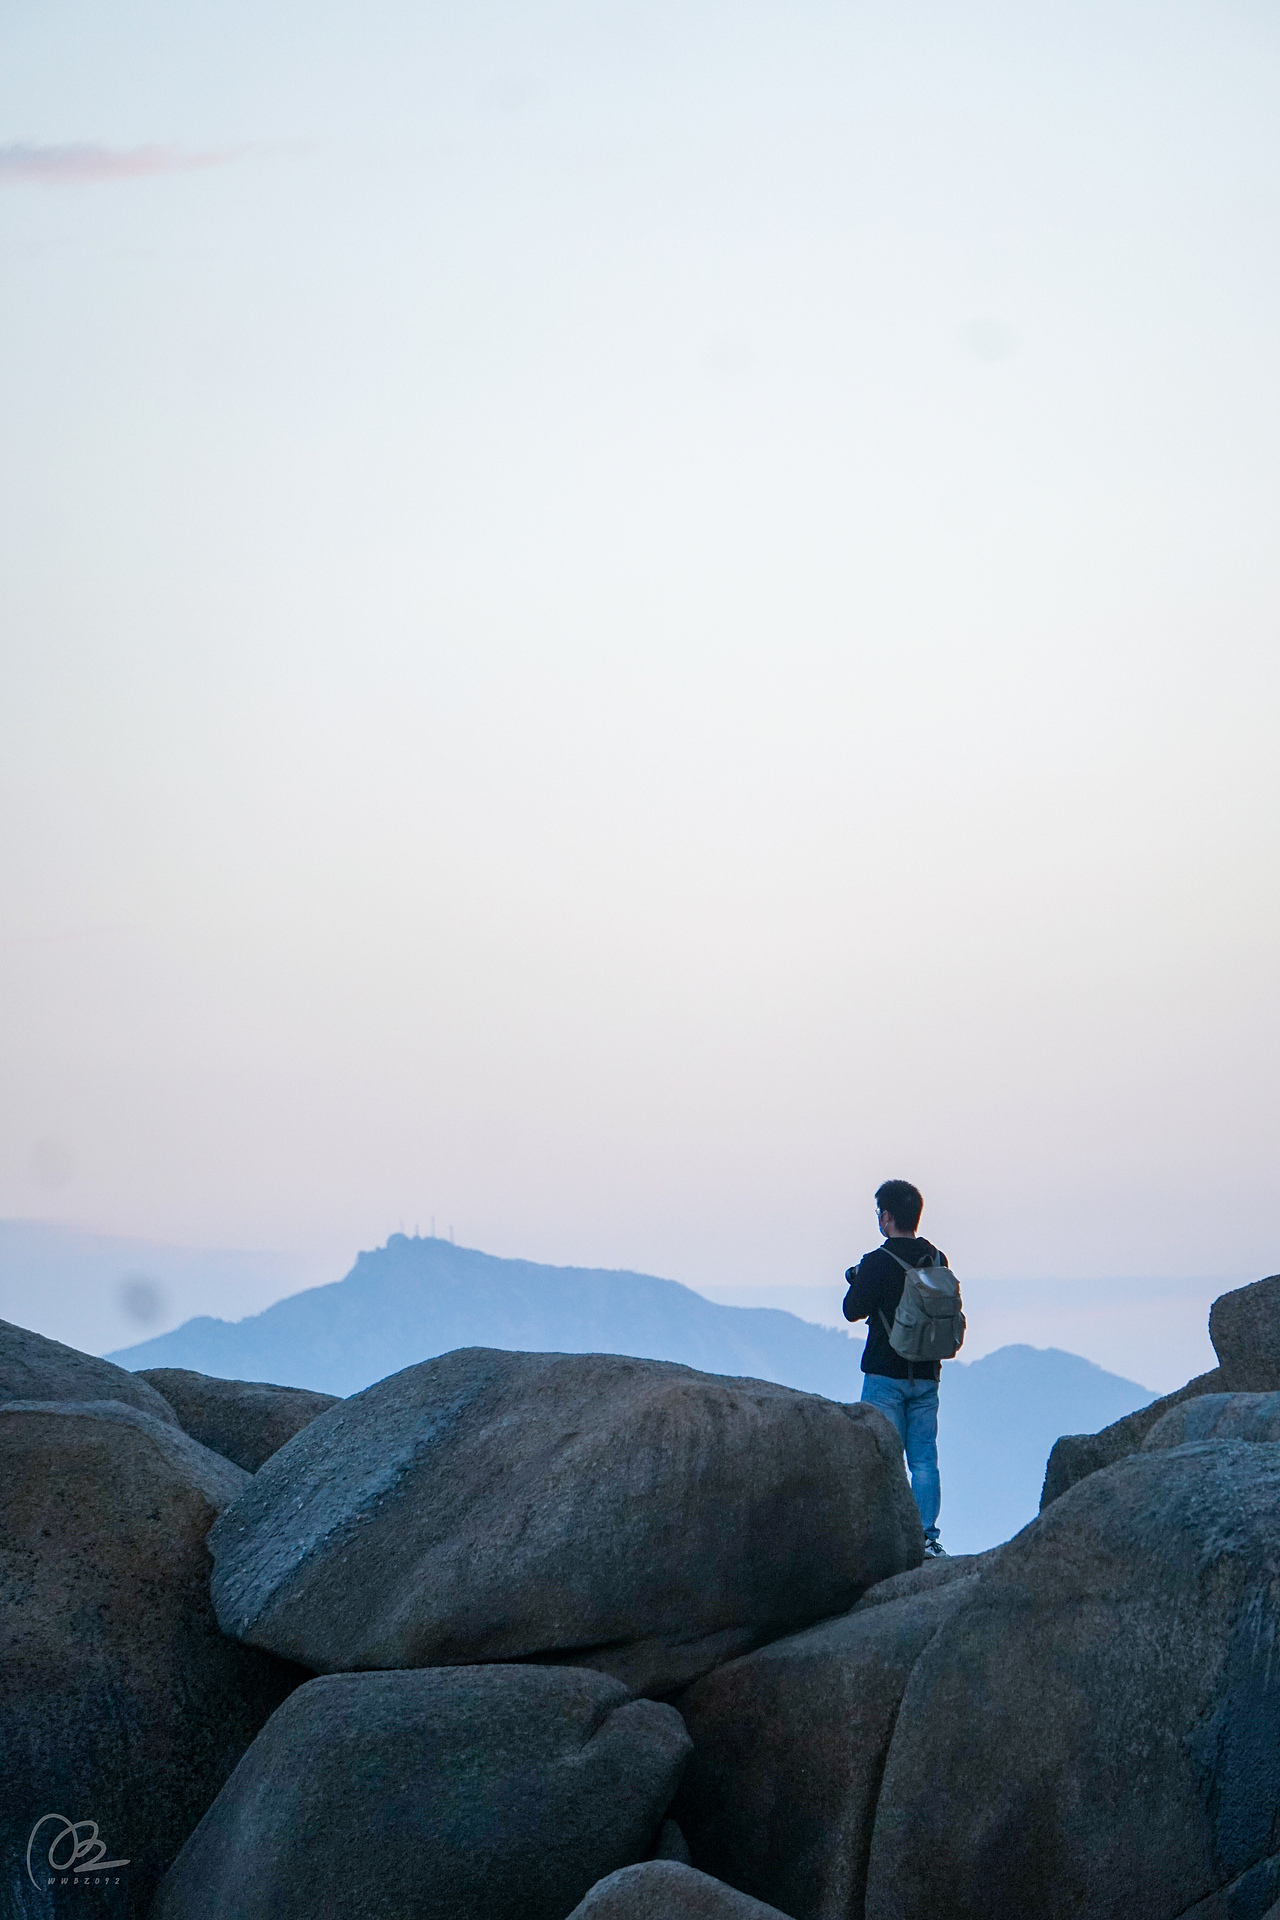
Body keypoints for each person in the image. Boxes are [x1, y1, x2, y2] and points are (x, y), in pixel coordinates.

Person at [843, 1178, 949, 1557]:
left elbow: (851, 1310)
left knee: (882, 1459)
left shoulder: (876, 1262)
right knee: (924, 1460)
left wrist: (858, 1279)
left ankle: (884, 1537)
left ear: (887, 1217)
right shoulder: (936, 1259)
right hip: (926, 1376)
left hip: (884, 1376)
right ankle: (926, 1538)